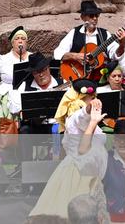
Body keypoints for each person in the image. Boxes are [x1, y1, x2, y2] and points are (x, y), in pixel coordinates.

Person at [30, 86, 108, 219]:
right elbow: (81, 117)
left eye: (95, 98)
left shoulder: (92, 123)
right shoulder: (74, 120)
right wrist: (88, 110)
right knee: (77, 213)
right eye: (91, 99)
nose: (94, 102)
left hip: (91, 175)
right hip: (77, 175)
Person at [55, 0, 122, 73]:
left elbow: (115, 54)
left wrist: (123, 44)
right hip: (76, 75)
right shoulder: (75, 32)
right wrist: (75, 56)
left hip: (98, 75)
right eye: (91, 15)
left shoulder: (104, 34)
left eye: (96, 15)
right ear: (83, 17)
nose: (95, 18)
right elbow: (58, 53)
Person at [10, 51, 65, 132]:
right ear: (32, 73)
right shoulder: (25, 86)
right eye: (37, 72)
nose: (41, 74)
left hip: (57, 124)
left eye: (43, 70)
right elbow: (13, 107)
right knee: (25, 130)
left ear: (48, 68)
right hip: (34, 126)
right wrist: (22, 110)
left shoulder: (63, 83)